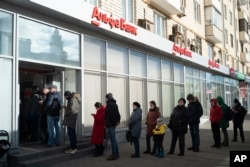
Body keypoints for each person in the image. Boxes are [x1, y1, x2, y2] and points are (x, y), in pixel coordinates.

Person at [105, 93, 121, 161]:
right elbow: (118, 114)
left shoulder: (109, 105)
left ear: (107, 98)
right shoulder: (115, 104)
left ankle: (114, 154)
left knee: (112, 140)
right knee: (114, 139)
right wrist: (117, 121)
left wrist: (114, 121)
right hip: (113, 124)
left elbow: (110, 115)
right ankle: (116, 154)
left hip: (110, 124)